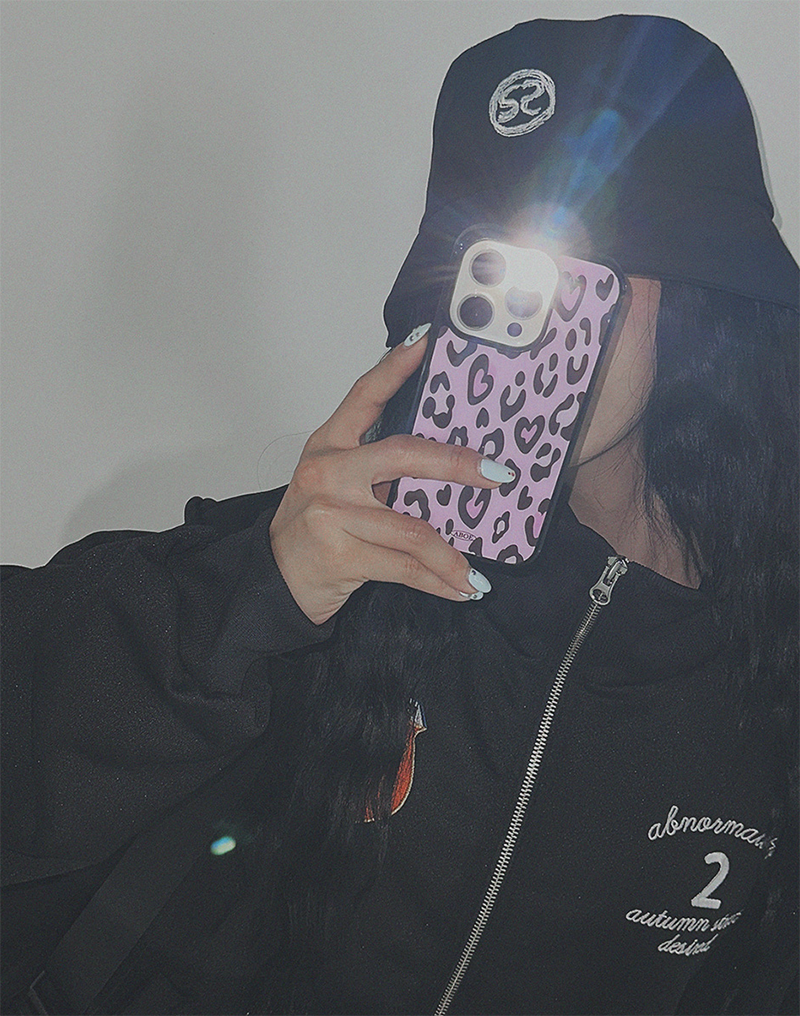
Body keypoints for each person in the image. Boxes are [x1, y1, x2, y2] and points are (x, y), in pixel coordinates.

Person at [3, 13, 800, 1016]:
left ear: (697, 294)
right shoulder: (340, 556)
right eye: (494, 270)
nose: (537, 327)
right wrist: (252, 596)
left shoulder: (769, 662)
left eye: (584, 273)